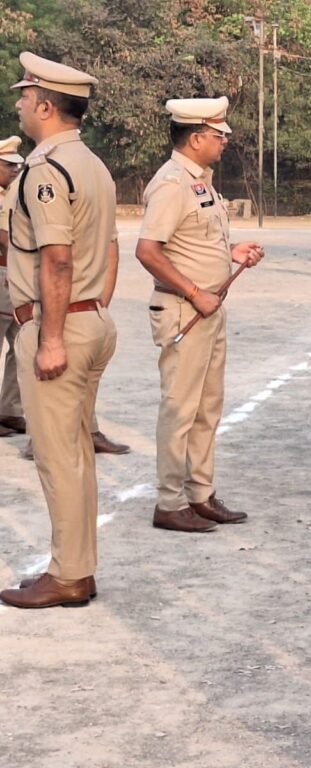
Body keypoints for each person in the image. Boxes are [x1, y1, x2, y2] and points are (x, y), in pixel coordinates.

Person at [0, 53, 117, 608]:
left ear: (46, 106)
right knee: (77, 454)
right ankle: (77, 568)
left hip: (58, 326)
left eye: (26, 97)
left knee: (57, 457)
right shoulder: (92, 164)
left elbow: (57, 258)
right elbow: (107, 249)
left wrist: (49, 338)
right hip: (88, 319)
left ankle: (69, 574)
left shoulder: (46, 169)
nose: (20, 106)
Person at [135, 97, 264, 533]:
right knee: (180, 408)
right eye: (217, 135)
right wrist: (194, 291)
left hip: (208, 308)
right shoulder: (172, 183)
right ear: (195, 139)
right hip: (184, 310)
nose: (224, 141)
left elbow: (193, 241)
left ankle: (200, 493)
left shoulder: (201, 182)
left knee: (207, 407)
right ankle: (170, 502)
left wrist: (233, 252)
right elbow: (148, 251)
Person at [0, 135, 25, 439]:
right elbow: (5, 239)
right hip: (3, 272)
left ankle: (10, 410)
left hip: (12, 274)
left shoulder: (11, 195)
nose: (15, 170)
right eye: (8, 165)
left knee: (19, 345)